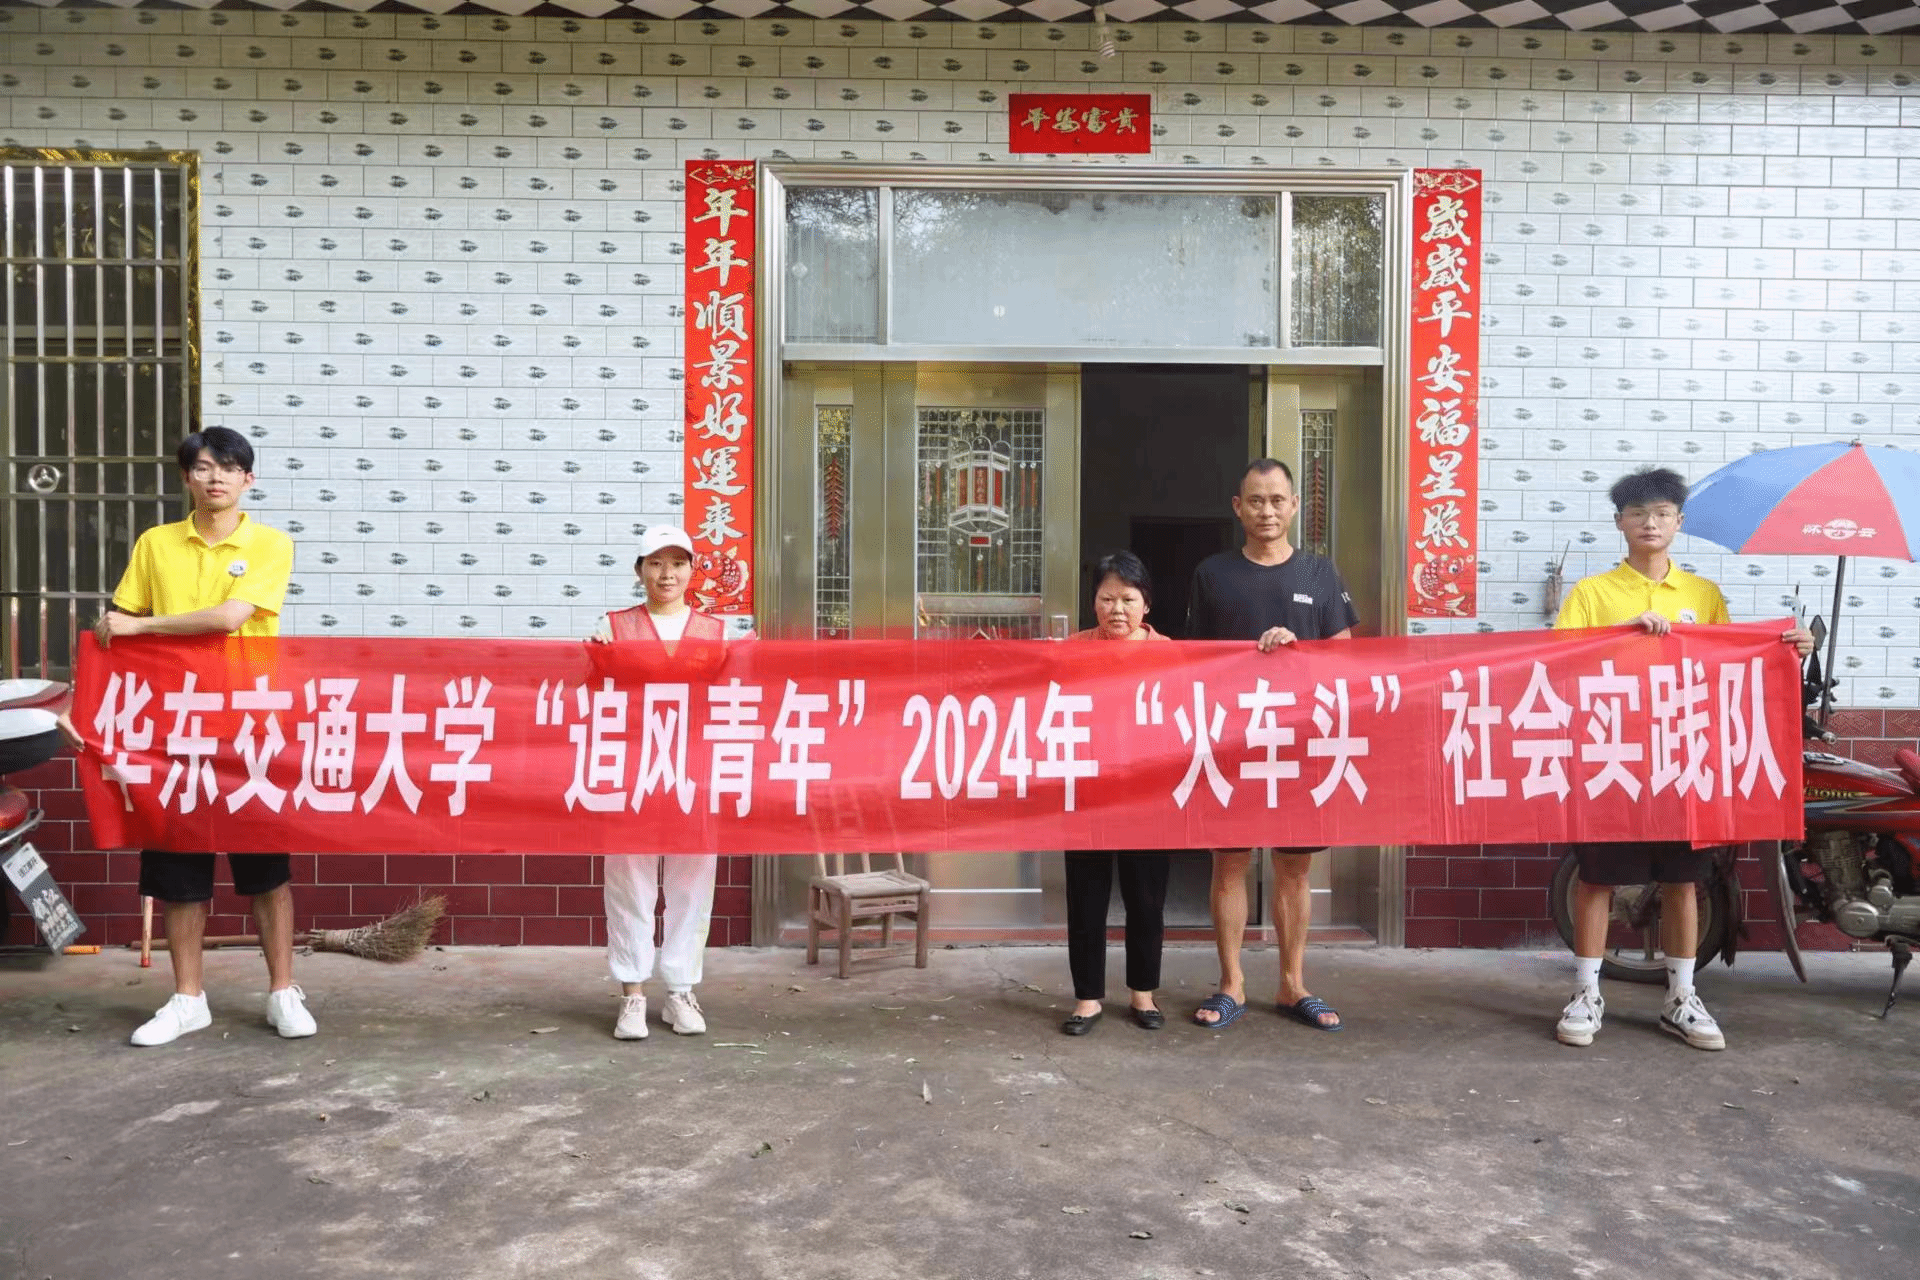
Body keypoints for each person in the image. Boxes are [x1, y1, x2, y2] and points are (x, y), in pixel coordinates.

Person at [1553, 466, 1813, 1053]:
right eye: (1638, 513)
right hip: (1610, 752)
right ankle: (1586, 992)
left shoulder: (1703, 595)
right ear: (1619, 523)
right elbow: (1560, 664)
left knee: (1682, 880)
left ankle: (1681, 996)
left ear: (1679, 523)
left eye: (1662, 513)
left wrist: (1789, 649)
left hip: (1682, 754)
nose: (1650, 523)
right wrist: (1622, 636)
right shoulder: (1592, 594)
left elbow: (1731, 666)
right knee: (1597, 877)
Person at [98, 427, 309, 1047]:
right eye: (203, 467)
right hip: (174, 726)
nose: (216, 477)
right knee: (178, 870)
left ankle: (283, 991)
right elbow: (122, 619)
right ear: (186, 477)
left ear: (248, 479)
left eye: (229, 467)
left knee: (265, 868)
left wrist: (141, 628)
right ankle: (188, 998)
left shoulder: (270, 544)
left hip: (249, 724)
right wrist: (114, 631)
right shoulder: (156, 544)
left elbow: (229, 618)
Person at [1187, 459, 1357, 1032]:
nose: (1267, 511)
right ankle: (1231, 983)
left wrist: (1298, 650)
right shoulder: (1212, 574)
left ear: (1294, 506)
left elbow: (1345, 657)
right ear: (1238, 507)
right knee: (1229, 863)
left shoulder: (1319, 573)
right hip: (1232, 739)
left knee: (1294, 867)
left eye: (1277, 500)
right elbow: (1192, 662)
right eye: (1256, 500)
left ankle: (1292, 983)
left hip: (1301, 740)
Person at [594, 525, 737, 1042]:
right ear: (639, 571)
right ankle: (632, 994)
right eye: (655, 562)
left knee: (692, 882)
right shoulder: (613, 627)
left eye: (677, 563)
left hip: (694, 769)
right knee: (628, 880)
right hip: (633, 770)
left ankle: (680, 990)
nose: (667, 573)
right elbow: (592, 696)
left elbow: (734, 701)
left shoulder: (718, 632)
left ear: (692, 571)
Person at [1060, 551, 1173, 1036]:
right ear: (1094, 604)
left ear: (1146, 604)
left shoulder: (1171, 654)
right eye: (1107, 599)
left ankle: (1143, 993)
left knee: (1146, 899)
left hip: (1148, 794)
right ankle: (1087, 998)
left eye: (1128, 599)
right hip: (1087, 790)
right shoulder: (1071, 650)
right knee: (1086, 899)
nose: (1117, 610)